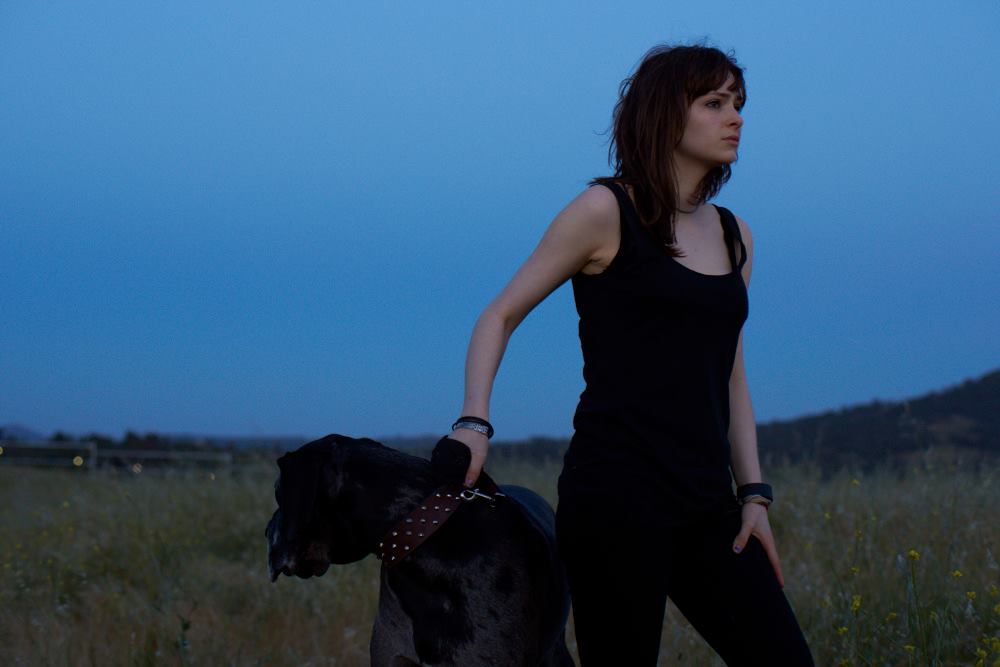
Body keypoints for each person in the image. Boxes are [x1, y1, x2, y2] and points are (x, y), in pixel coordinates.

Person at [445, 42, 814, 665]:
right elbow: (498, 315)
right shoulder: (604, 212)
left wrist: (754, 496)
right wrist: (473, 423)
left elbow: (731, 373)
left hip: (709, 505)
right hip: (616, 498)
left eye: (739, 103)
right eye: (715, 103)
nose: (736, 117)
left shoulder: (736, 236)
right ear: (666, 113)